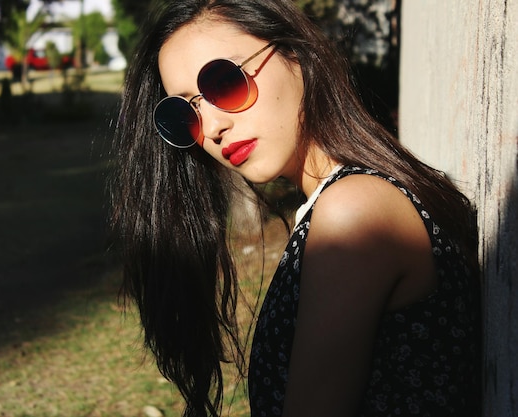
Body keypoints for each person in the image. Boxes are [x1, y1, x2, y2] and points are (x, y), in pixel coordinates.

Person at [109, 1, 481, 416]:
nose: (212, 127)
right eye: (186, 111)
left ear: (297, 57)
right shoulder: (342, 201)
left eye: (223, 82)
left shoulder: (353, 213)